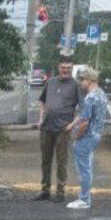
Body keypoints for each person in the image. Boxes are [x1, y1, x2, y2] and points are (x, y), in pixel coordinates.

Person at [36, 56, 83, 202]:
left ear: (72, 68)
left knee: (61, 161)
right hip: (46, 127)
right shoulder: (50, 82)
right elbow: (42, 101)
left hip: (63, 129)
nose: (66, 70)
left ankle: (60, 191)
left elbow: (82, 109)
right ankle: (45, 190)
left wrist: (73, 124)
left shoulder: (76, 85)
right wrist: (40, 119)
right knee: (45, 160)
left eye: (68, 68)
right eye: (63, 68)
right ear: (59, 67)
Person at [66, 68, 109, 209]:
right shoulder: (101, 94)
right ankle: (85, 198)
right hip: (97, 134)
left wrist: (76, 136)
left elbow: (84, 122)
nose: (81, 83)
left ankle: (84, 199)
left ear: (90, 80)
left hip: (87, 136)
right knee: (88, 167)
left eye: (83, 80)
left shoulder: (90, 97)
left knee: (84, 169)